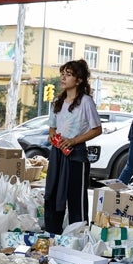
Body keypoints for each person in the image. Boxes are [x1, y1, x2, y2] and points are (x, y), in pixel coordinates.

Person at [44, 59, 102, 234]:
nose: (63, 77)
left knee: (76, 198)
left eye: (68, 75)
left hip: (76, 155)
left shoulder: (86, 102)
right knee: (52, 194)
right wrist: (52, 135)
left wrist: (73, 141)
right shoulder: (57, 101)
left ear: (78, 80)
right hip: (57, 154)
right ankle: (52, 234)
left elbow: (97, 129)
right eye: (62, 73)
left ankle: (80, 237)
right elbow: (52, 127)